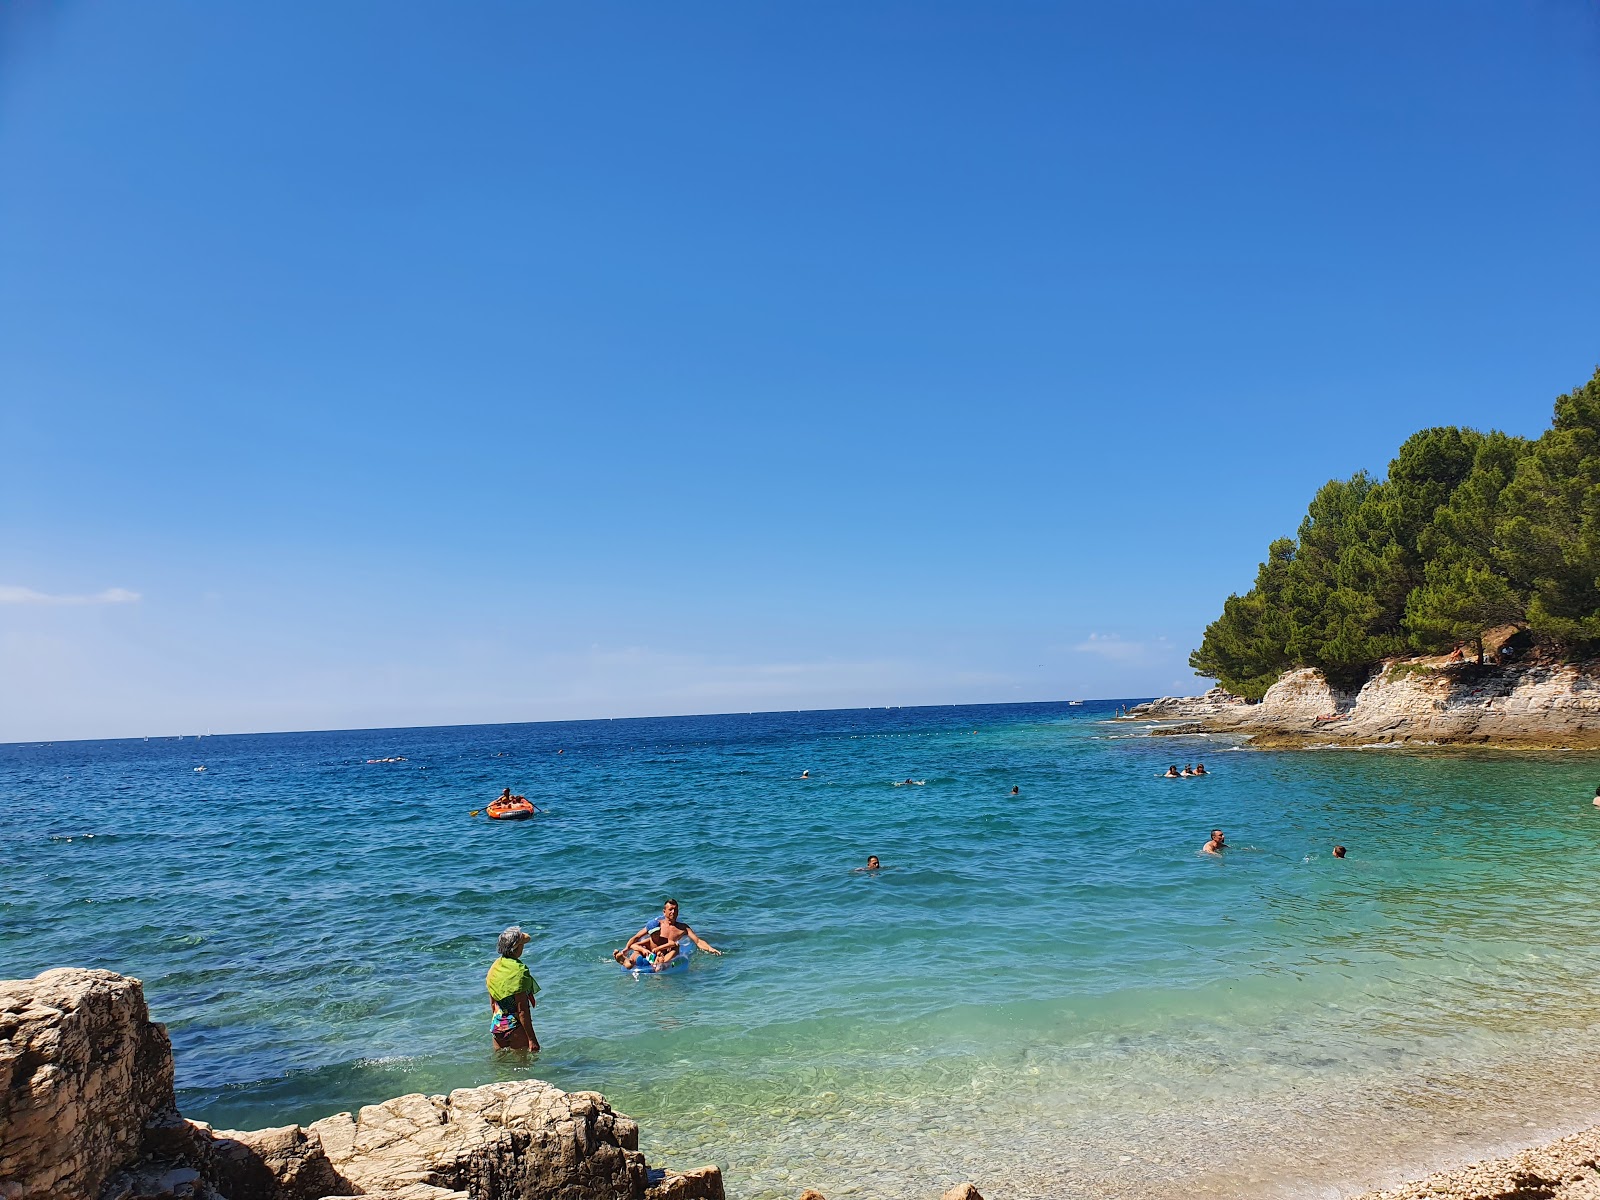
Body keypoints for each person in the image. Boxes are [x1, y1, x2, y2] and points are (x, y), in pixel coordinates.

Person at [615, 899, 722, 971]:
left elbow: (697, 941)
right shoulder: (657, 924)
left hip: (664, 955)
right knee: (638, 950)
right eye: (670, 909)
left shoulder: (683, 928)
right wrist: (626, 949)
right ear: (664, 912)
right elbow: (636, 937)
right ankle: (627, 962)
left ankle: (656, 966)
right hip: (650, 952)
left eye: (676, 909)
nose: (673, 912)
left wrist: (710, 948)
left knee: (674, 949)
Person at [486, 926, 540, 1051]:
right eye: (522, 945)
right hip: (515, 1027)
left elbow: (493, 1004)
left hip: (497, 1025)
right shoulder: (519, 971)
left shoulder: (495, 967)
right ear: (517, 947)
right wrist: (532, 1039)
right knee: (523, 1067)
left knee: (500, 1067)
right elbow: (522, 1011)